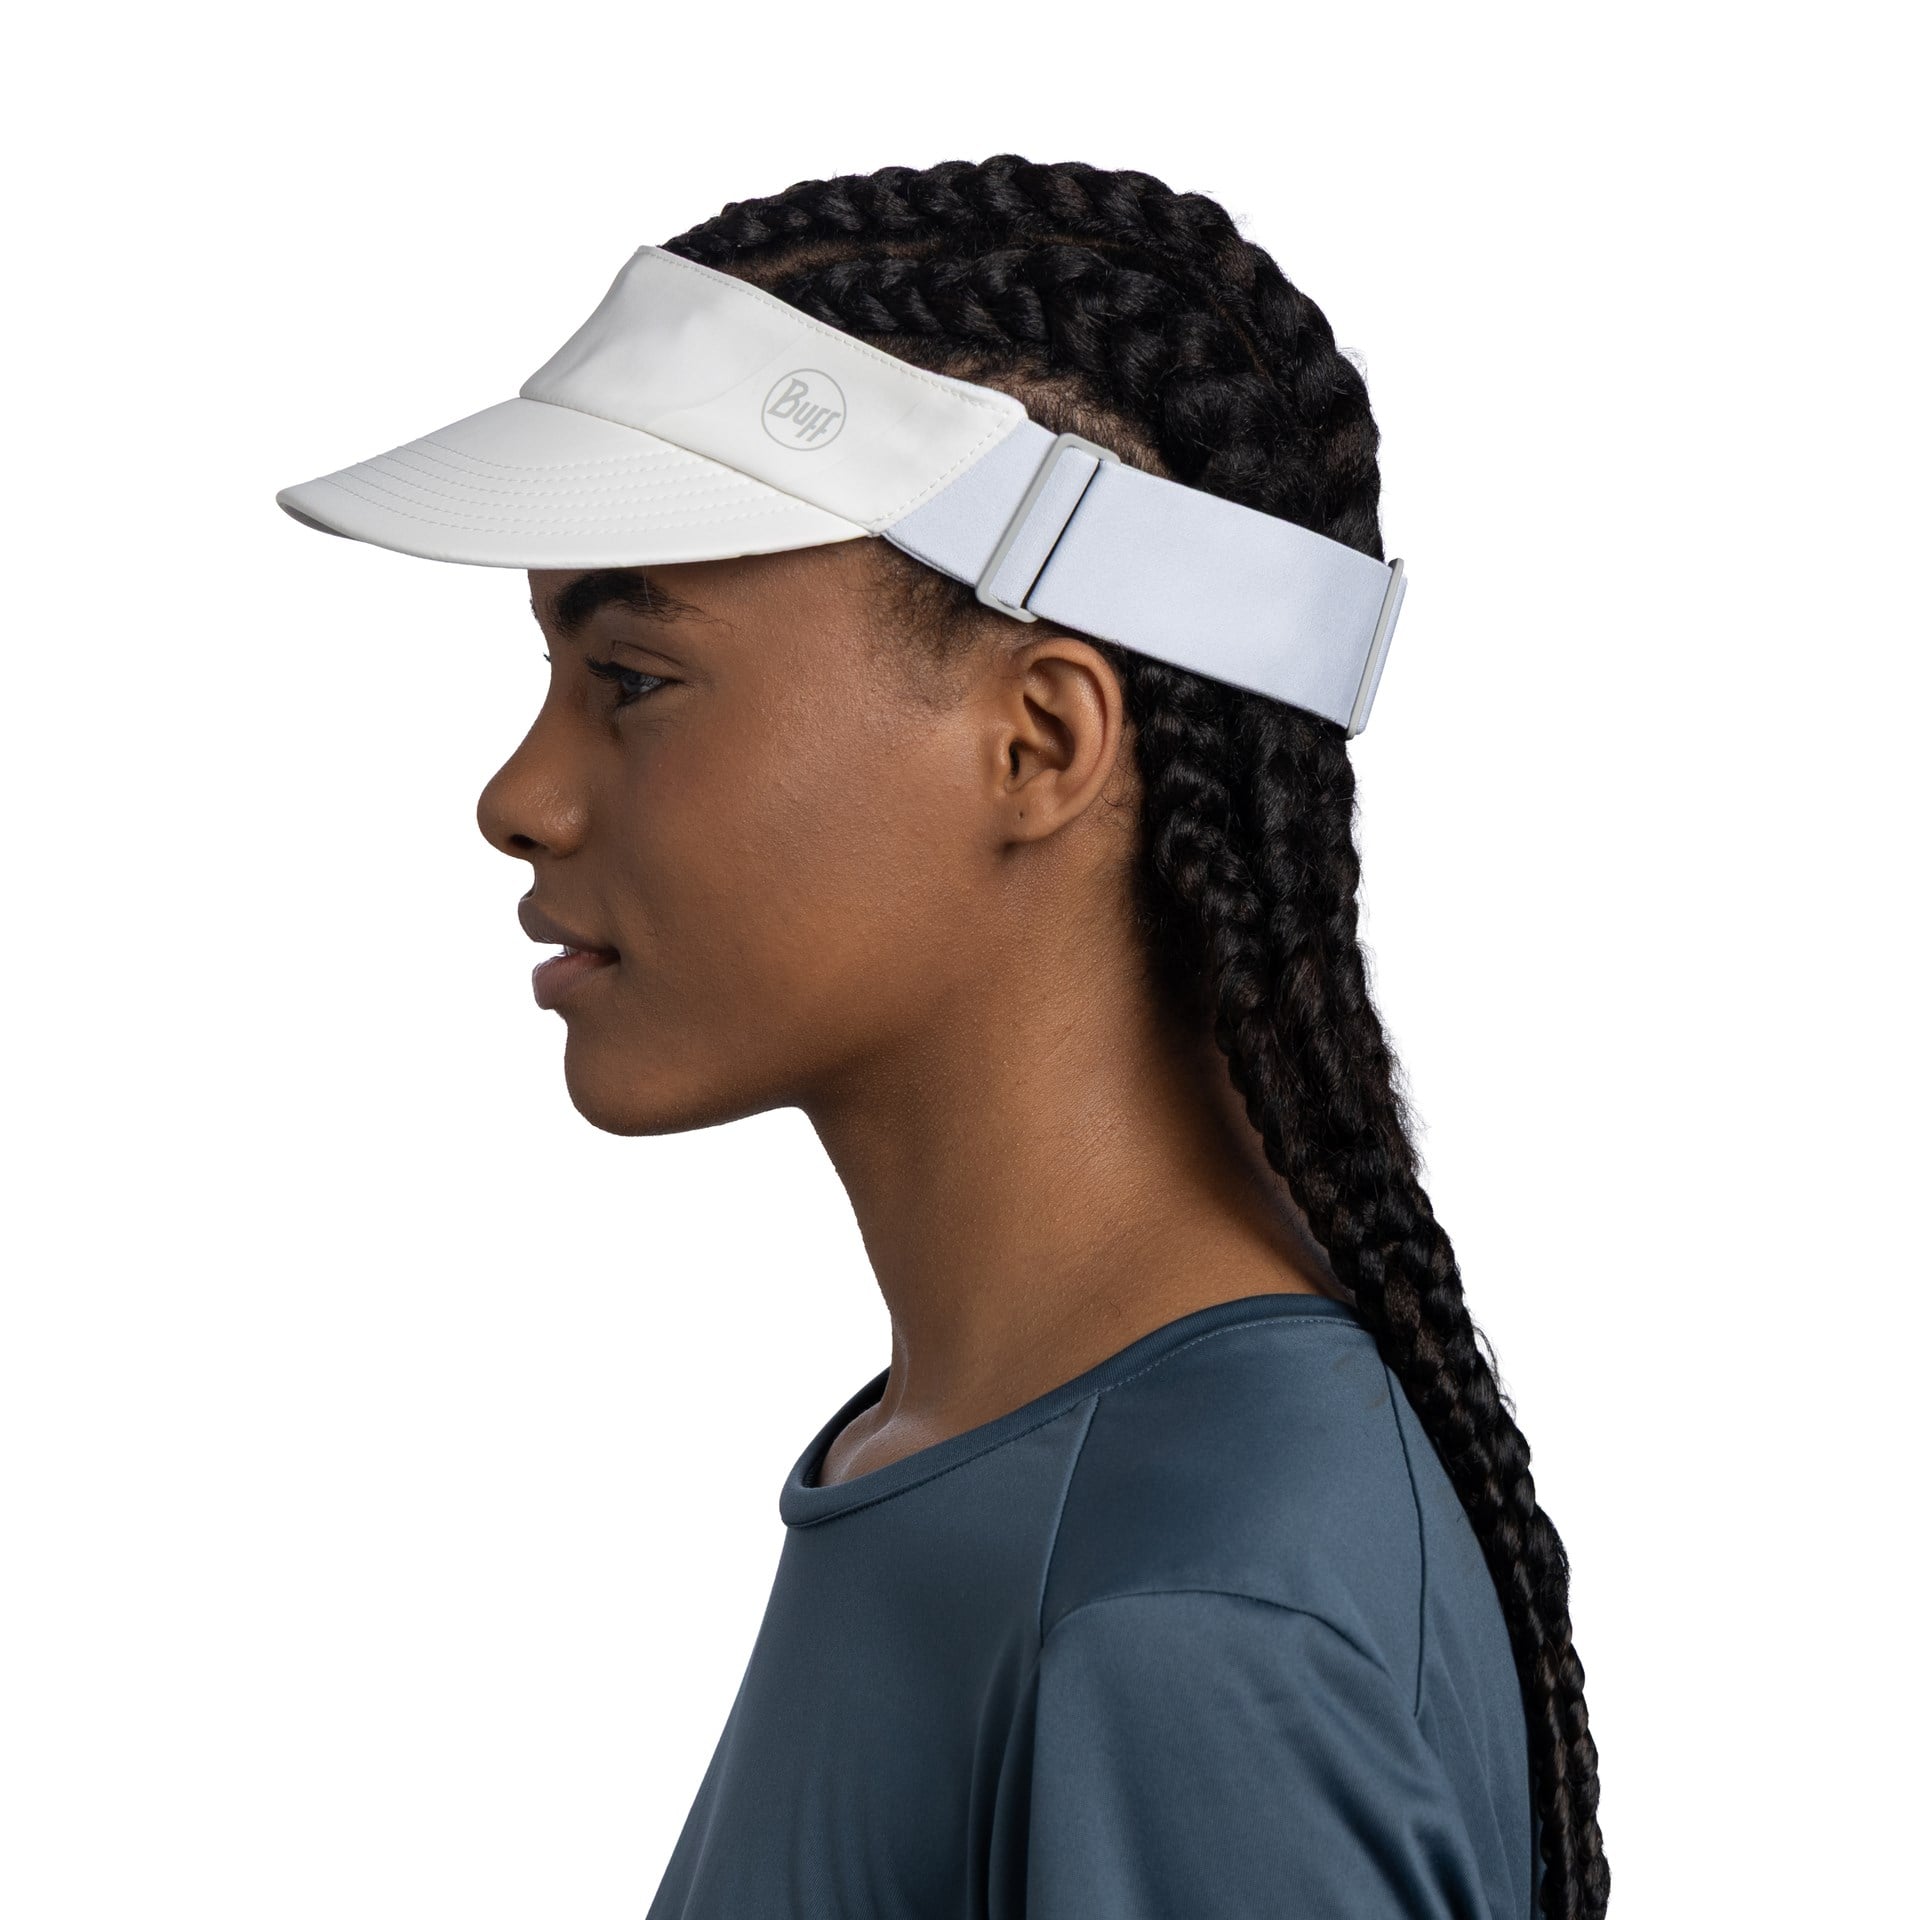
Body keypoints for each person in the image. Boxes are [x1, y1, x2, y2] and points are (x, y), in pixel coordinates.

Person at [275, 155, 1607, 1918]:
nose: (518, 796)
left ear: (1039, 744)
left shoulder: (1191, 1618)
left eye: (634, 679)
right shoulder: (989, 1460)